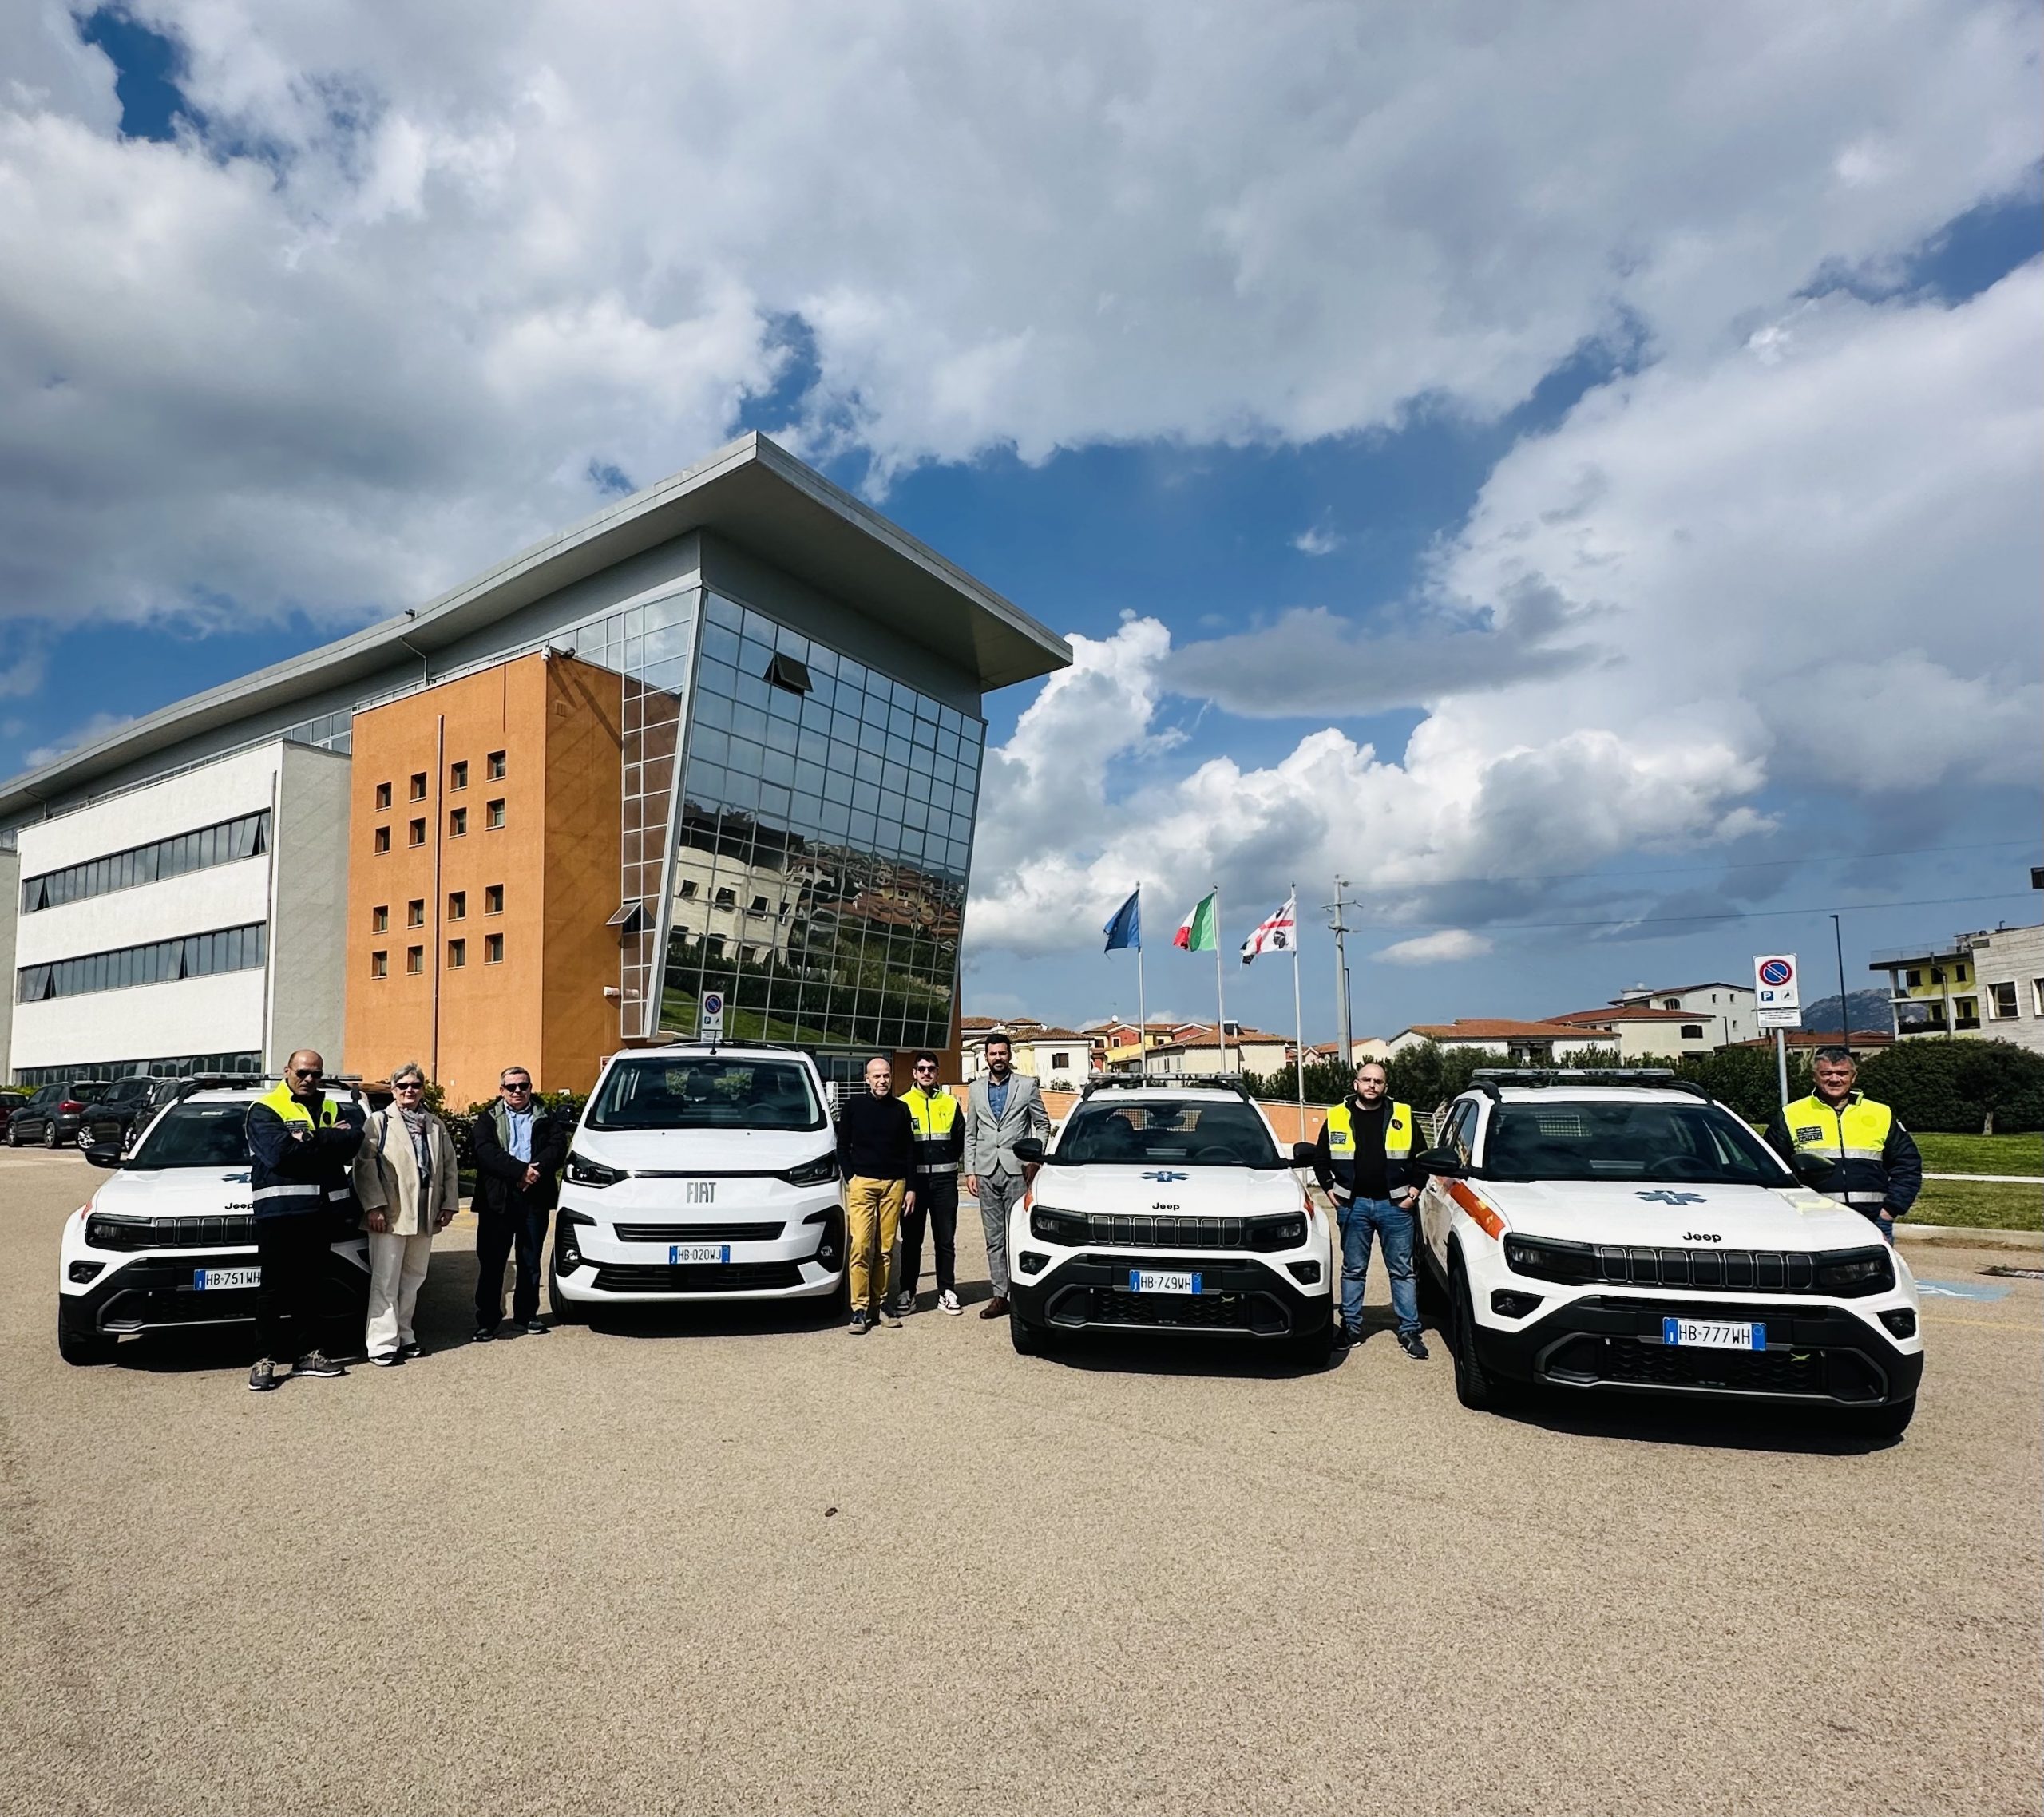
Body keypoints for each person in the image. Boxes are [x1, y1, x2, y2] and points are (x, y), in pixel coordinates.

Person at [244, 1049, 365, 1391]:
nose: (310, 1079)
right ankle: (264, 1359)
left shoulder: (331, 1106)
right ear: (287, 1071)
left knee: (312, 1288)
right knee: (273, 1291)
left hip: (322, 1213)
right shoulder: (265, 1108)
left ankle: (308, 1355)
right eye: (303, 1072)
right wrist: (328, 1140)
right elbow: (280, 1155)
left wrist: (310, 1138)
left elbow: (352, 1142)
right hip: (281, 1213)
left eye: (316, 1073)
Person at [1311, 1059, 1427, 1358]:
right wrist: (1331, 1192)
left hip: (1396, 1206)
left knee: (1402, 1271)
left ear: (1385, 1086)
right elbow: (1320, 1158)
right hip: (1353, 1206)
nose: (1371, 1085)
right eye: (1366, 1080)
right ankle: (1350, 1328)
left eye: (1377, 1081)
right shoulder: (1336, 1116)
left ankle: (1410, 1331)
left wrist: (1412, 1194)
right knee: (1353, 1270)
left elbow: (1423, 1159)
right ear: (1356, 1084)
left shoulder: (1403, 1114)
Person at [352, 1062, 459, 1365]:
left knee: (413, 1277)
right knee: (386, 1279)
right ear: (393, 1089)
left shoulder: (435, 1124)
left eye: (415, 1085)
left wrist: (448, 1203)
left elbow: (449, 1167)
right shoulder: (378, 1122)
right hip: (391, 1210)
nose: (409, 1091)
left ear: (422, 1089)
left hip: (425, 1210)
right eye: (403, 1086)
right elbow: (364, 1165)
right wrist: (374, 1206)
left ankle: (405, 1334)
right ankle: (382, 1342)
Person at [1766, 1046, 1923, 1245]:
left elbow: (1908, 1164)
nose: (1834, 1079)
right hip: (1812, 1223)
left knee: (1874, 1276)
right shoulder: (1791, 1114)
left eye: (1842, 1073)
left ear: (1853, 1077)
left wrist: (1890, 1210)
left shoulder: (1881, 1113)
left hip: (1872, 1221)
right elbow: (1772, 1170)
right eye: (1826, 1073)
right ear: (1815, 1076)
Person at [470, 1065, 569, 1340]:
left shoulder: (545, 1116)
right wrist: (519, 1171)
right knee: (492, 1262)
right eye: (511, 1087)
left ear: (530, 1088)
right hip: (498, 1200)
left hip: (534, 1198)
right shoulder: (488, 1118)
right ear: (501, 1090)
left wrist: (534, 1171)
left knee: (529, 1261)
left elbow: (558, 1147)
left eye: (523, 1086)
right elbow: (485, 1152)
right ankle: (488, 1320)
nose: (518, 1091)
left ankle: (527, 1316)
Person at [962, 1033, 1049, 1320]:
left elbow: (1042, 1124)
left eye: (1002, 1053)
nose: (997, 1058)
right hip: (986, 1172)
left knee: (1018, 1236)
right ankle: (1000, 1296)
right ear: (985, 1057)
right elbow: (971, 1133)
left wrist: (1034, 1160)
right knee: (994, 1238)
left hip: (1017, 1170)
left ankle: (1021, 1292)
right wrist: (970, 1170)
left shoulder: (1026, 1086)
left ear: (1009, 1055)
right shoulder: (974, 1090)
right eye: (992, 1054)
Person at [836, 1055, 915, 1334]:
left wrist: (910, 1187)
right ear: (867, 1079)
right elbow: (842, 1145)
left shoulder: (901, 1109)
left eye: (886, 1076)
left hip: (894, 1185)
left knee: (885, 1247)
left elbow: (909, 1151)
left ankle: (882, 1304)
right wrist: (852, 1177)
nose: (882, 1081)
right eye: (877, 1076)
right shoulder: (853, 1107)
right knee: (860, 1245)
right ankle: (859, 1309)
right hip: (862, 1184)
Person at [897, 1051, 965, 1316]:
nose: (927, 1073)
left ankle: (946, 1291)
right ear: (914, 1073)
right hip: (914, 1186)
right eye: (922, 1069)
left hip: (945, 1183)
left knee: (945, 1241)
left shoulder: (950, 1102)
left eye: (931, 1069)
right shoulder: (902, 1104)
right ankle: (907, 1292)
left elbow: (959, 1138)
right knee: (912, 1241)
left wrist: (948, 1162)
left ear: (937, 1073)